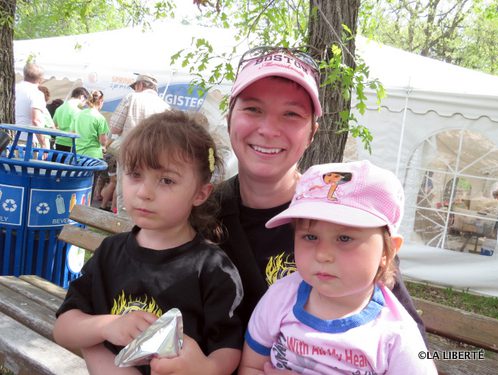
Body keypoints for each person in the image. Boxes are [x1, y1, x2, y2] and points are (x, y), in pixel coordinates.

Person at [150, 47, 426, 375]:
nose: (269, 129)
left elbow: (411, 353)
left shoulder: (352, 218)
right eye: (253, 109)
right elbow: (123, 306)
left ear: (312, 132)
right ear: (229, 118)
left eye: (292, 114)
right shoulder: (195, 213)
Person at [53, 110, 244, 375]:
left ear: (200, 193)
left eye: (166, 180)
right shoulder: (111, 252)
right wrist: (108, 326)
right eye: (134, 174)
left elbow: (229, 345)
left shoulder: (213, 268)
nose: (144, 193)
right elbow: (64, 328)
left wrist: (208, 369)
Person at [238, 160, 437, 374]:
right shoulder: (280, 297)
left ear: (387, 252)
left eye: (344, 238)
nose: (323, 254)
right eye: (310, 236)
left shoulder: (397, 335)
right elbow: (251, 365)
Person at [110, 73, 171, 216]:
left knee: (125, 191)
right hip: (153, 157)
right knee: (147, 192)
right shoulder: (165, 106)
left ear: (140, 85)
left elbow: (114, 128)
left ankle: (123, 229)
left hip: (129, 153)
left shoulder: (132, 97)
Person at [14, 62, 48, 148]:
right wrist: (43, 144)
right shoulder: (37, 94)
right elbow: (36, 120)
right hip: (27, 140)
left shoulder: (13, 88)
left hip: (9, 137)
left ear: (24, 74)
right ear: (41, 79)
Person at [73, 90, 109, 159]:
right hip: (93, 157)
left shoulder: (78, 114)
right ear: (101, 101)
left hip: (77, 154)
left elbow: (72, 132)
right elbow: (103, 142)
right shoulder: (100, 118)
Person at [53, 86, 89, 152]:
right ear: (82, 97)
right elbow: (77, 129)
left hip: (59, 141)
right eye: (85, 102)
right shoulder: (77, 110)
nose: (84, 104)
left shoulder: (60, 108)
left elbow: (54, 125)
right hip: (71, 143)